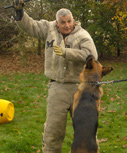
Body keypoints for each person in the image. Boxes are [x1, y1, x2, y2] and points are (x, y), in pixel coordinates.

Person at [13, 0, 98, 152]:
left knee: (86, 132)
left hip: (80, 89)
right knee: (53, 132)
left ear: (73, 20)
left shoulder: (82, 35)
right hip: (57, 87)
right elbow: (31, 26)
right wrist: (20, 13)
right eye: (63, 22)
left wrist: (67, 53)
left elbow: (91, 55)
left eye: (69, 21)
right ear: (57, 23)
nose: (67, 25)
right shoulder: (48, 29)